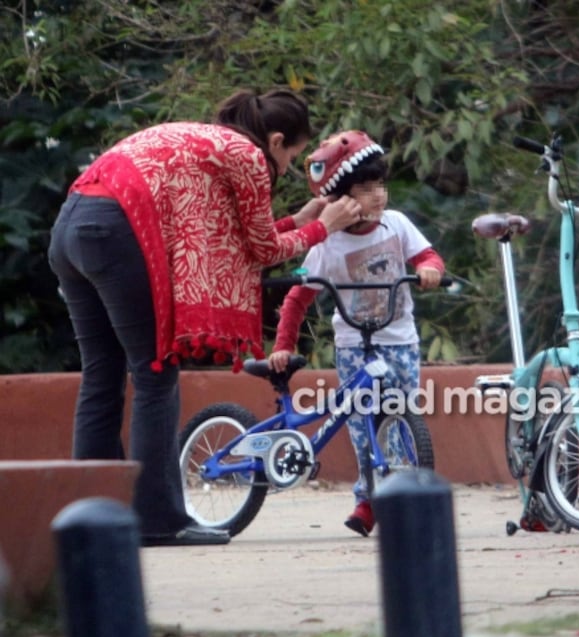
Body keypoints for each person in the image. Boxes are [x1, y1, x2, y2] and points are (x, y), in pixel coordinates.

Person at [47, 89, 363, 547]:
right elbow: (264, 253)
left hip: (70, 229)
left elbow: (234, 240)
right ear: (275, 141)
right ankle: (158, 521)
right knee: (155, 373)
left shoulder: (208, 141)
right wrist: (325, 228)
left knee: (102, 375)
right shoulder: (250, 156)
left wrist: (300, 220)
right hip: (117, 233)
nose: (289, 166)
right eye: (293, 156)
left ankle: (94, 518)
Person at [268, 130, 445, 537]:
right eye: (365, 189)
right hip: (353, 347)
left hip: (399, 340)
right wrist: (283, 345)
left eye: (380, 185)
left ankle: (404, 494)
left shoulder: (396, 225)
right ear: (340, 199)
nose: (378, 196)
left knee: (401, 418)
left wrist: (429, 269)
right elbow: (298, 298)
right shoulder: (326, 244)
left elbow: (426, 255)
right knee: (362, 422)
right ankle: (367, 501)